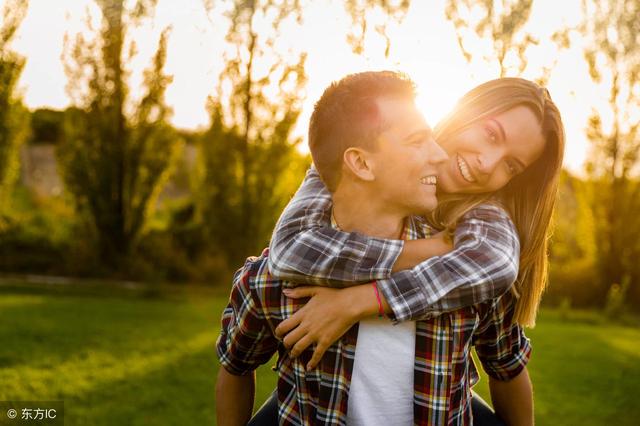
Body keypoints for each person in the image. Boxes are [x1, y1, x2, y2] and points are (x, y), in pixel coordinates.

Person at [216, 72, 565, 425]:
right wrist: (428, 250)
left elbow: (498, 280)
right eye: (491, 134)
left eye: (511, 166)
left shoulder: (477, 242)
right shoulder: (342, 169)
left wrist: (361, 301)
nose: (487, 164)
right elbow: (291, 249)